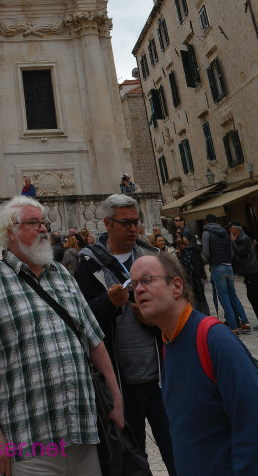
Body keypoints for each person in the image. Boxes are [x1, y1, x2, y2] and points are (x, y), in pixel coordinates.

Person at [0, 196, 122, 476]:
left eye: (44, 223)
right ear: (10, 232)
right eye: (33, 223)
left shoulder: (61, 274)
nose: (43, 229)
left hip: (83, 432)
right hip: (29, 442)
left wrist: (116, 399)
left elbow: (94, 340)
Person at [130, 251, 258, 476]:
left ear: (177, 286)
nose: (138, 289)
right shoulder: (169, 343)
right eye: (134, 284)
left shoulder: (213, 339)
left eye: (147, 280)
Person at [74, 193, 177, 475]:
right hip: (120, 385)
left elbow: (179, 307)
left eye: (136, 222)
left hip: (161, 377)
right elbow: (80, 319)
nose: (133, 228)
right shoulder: (88, 266)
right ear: (107, 223)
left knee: (178, 453)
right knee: (132, 461)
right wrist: (108, 303)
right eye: (126, 222)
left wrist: (154, 317)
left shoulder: (154, 261)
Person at [201, 213, 250, 333]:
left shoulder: (206, 233)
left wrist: (203, 261)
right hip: (228, 266)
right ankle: (245, 323)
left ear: (206, 222)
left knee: (224, 297)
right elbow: (232, 252)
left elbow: (206, 252)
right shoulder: (224, 232)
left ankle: (233, 327)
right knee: (233, 295)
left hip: (218, 267)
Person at [230, 222, 258, 330]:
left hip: (251, 270)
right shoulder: (242, 239)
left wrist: (233, 242)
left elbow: (240, 253)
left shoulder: (244, 239)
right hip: (249, 270)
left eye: (231, 229)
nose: (230, 232)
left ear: (237, 230)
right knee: (252, 296)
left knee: (256, 296)